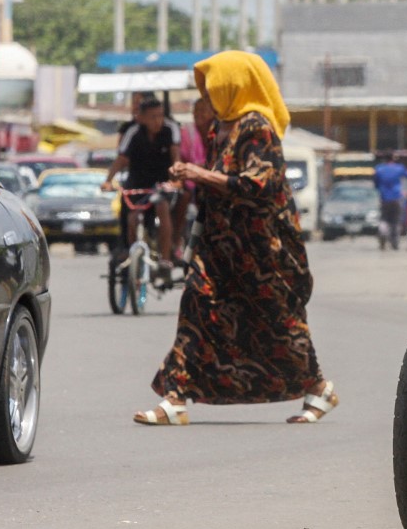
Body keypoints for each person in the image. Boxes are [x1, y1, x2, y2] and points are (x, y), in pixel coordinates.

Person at [133, 50, 338, 426]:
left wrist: (196, 172)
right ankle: (175, 399)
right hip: (218, 246)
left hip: (261, 250)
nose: (205, 96)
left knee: (278, 320)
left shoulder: (257, 126)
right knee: (195, 306)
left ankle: (319, 386)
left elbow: (257, 184)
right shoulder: (218, 128)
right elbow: (215, 181)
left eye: (211, 87)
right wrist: (188, 181)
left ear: (234, 86)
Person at [102, 95, 182, 281]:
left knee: (162, 207)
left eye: (160, 115)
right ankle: (130, 251)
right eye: (153, 116)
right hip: (137, 183)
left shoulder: (171, 130)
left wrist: (176, 181)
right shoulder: (133, 133)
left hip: (162, 183)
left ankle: (165, 259)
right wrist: (108, 180)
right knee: (132, 216)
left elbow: (176, 159)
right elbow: (121, 160)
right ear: (142, 117)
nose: (157, 121)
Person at [172, 97, 216, 256]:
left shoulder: (219, 131)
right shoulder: (187, 132)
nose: (199, 115)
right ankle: (176, 241)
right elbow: (179, 158)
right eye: (196, 111)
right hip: (190, 183)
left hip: (211, 182)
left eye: (203, 111)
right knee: (182, 198)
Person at [372, 152, 407, 250]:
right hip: (396, 197)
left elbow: (376, 184)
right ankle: (394, 243)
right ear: (393, 159)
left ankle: (382, 233)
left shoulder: (379, 169)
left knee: (384, 219)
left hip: (384, 198)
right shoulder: (399, 168)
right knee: (395, 221)